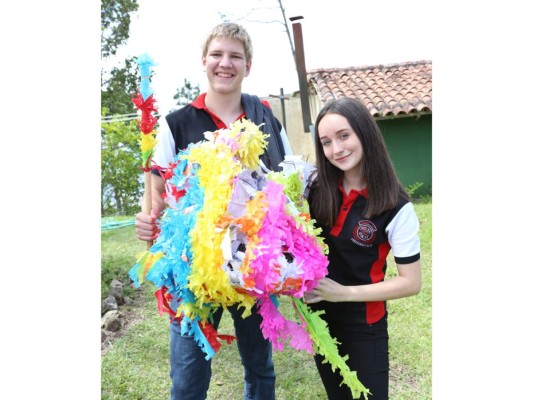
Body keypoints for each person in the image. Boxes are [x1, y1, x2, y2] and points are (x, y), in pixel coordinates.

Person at [135, 22, 292, 400]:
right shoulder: (176, 122)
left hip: (253, 267)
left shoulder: (266, 118)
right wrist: (147, 220)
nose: (226, 63)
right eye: (218, 55)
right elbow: (157, 187)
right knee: (188, 377)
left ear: (248, 66)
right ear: (204, 61)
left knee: (259, 368)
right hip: (194, 272)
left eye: (235, 56)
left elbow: (287, 185)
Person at [304, 97, 422, 400]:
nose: (336, 149)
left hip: (364, 326)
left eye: (344, 136)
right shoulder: (314, 187)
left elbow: (411, 283)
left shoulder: (396, 206)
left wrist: (343, 293)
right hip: (319, 320)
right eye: (326, 142)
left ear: (364, 133)